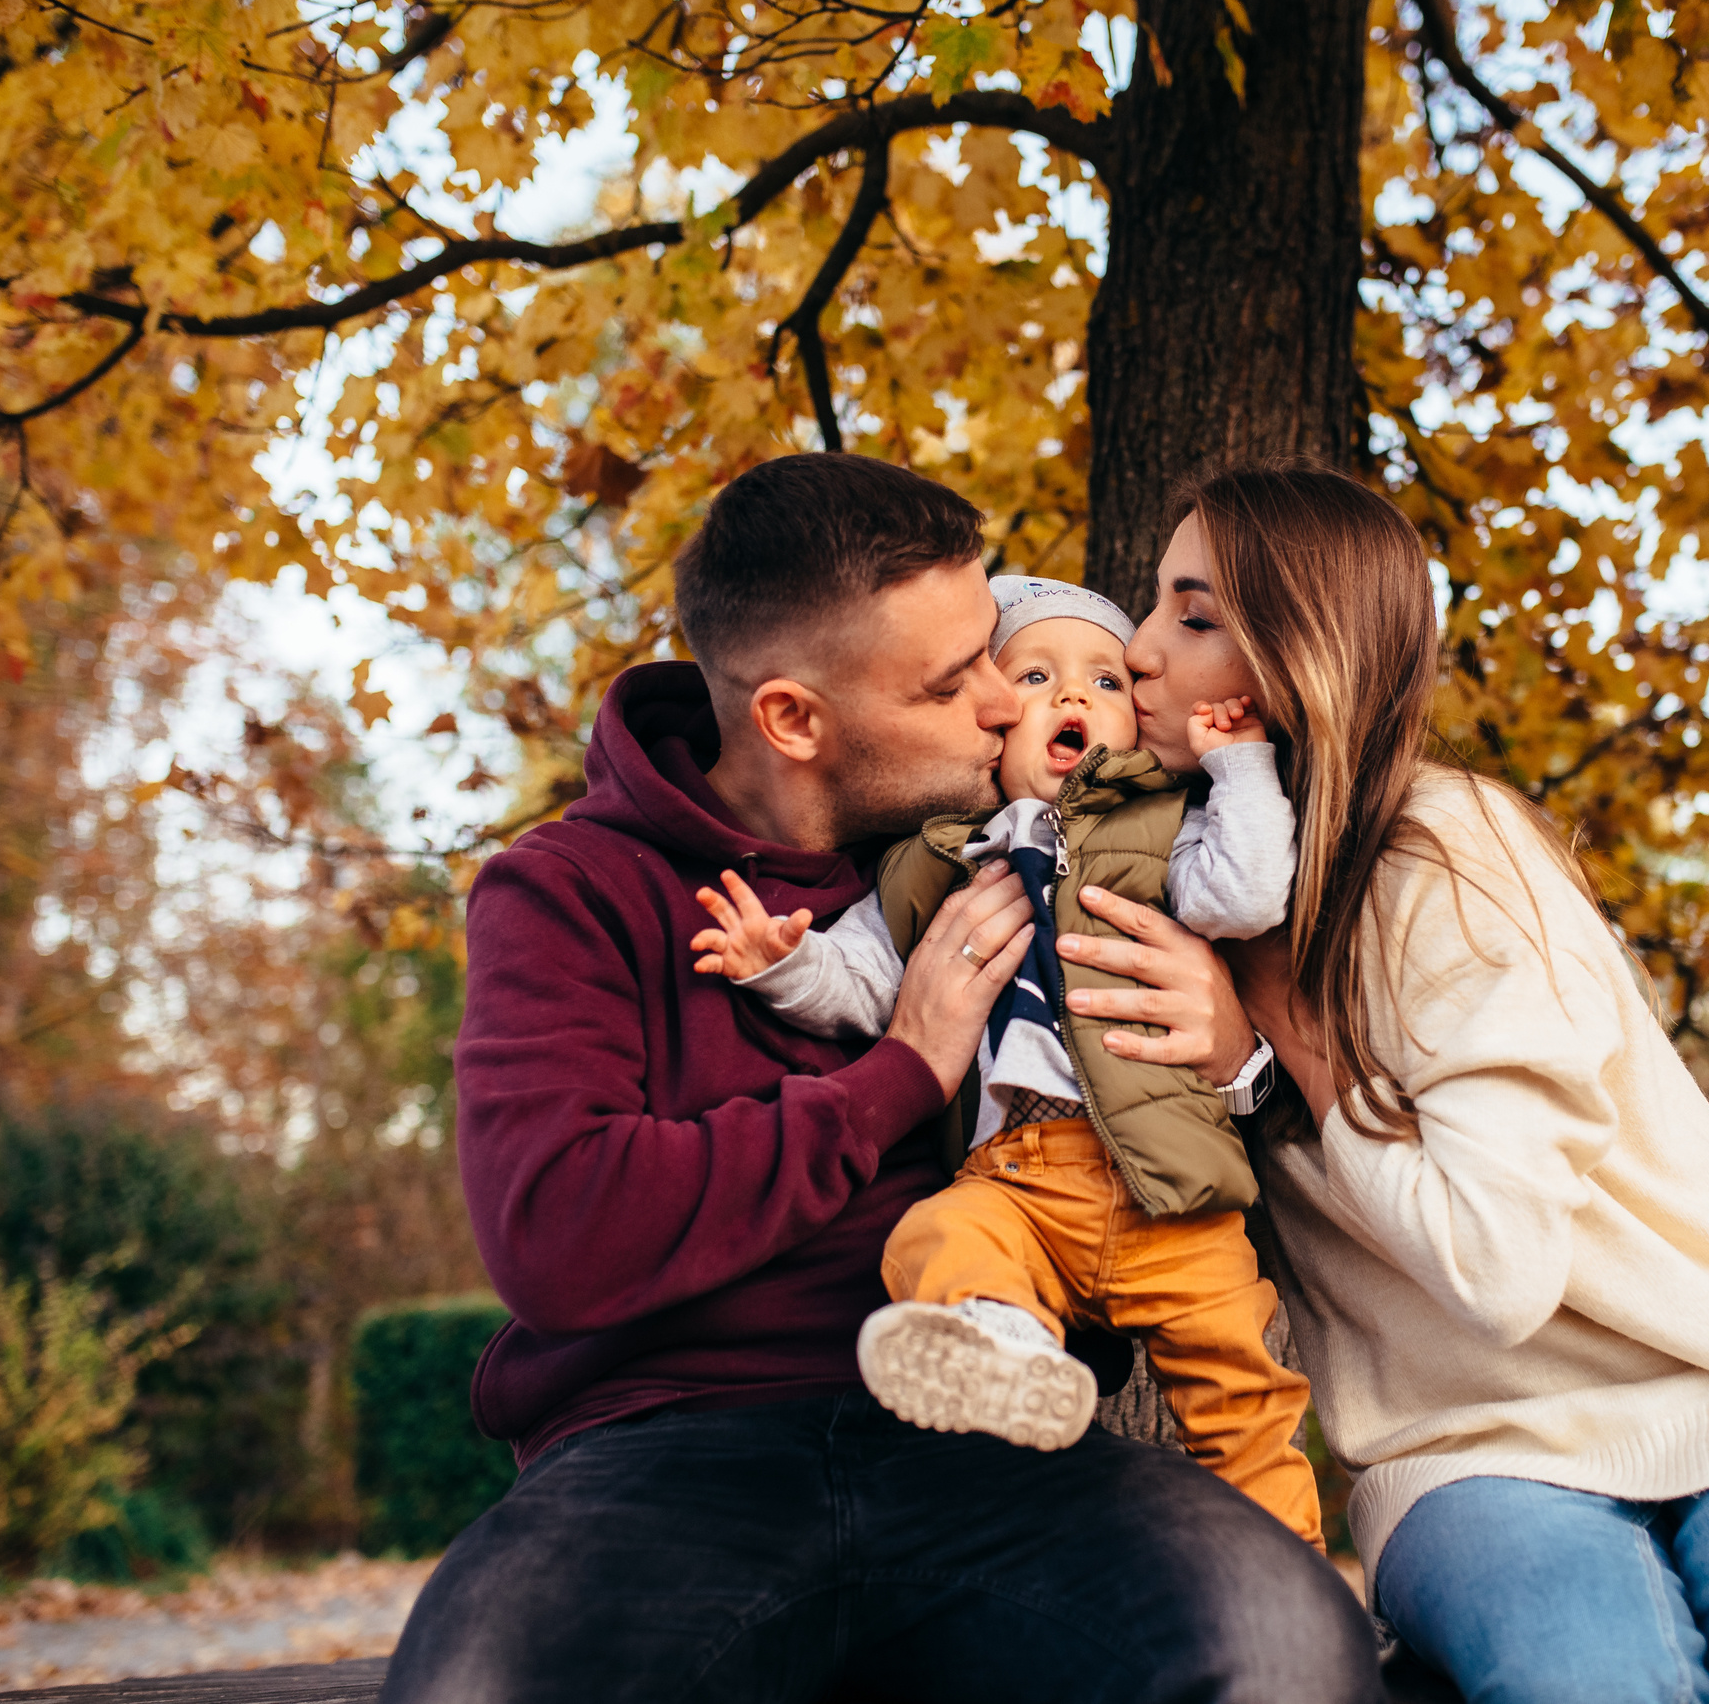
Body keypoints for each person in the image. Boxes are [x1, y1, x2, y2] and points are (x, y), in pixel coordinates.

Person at [380, 454, 1380, 1704]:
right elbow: (559, 1231)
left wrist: (1235, 1048)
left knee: (1284, 1646)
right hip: (663, 1454)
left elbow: (1189, 1144)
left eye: (992, 652)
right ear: (794, 719)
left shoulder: (1017, 848)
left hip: (987, 1442)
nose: (1001, 701)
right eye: (953, 681)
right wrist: (903, 1068)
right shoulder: (571, 890)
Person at [1103, 461, 1709, 1704]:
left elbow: (1496, 1267)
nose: (1140, 647)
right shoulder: (1167, 893)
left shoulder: (1449, 852)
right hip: (1464, 1459)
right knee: (1591, 1678)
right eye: (1155, 605)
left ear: (1301, 659)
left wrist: (1279, 1052)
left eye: (1194, 616)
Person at [687, 574, 1320, 1547]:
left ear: (1136, 723)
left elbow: (1244, 893)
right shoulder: (935, 858)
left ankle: (1295, 1566)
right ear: (991, 721)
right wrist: (786, 962)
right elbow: (867, 977)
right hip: (1014, 1178)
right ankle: (1006, 1346)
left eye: (1105, 680)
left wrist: (1236, 764)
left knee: (1242, 1383)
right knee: (932, 1237)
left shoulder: (1166, 826)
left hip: (1167, 1188)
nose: (1072, 695)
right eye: (1034, 675)